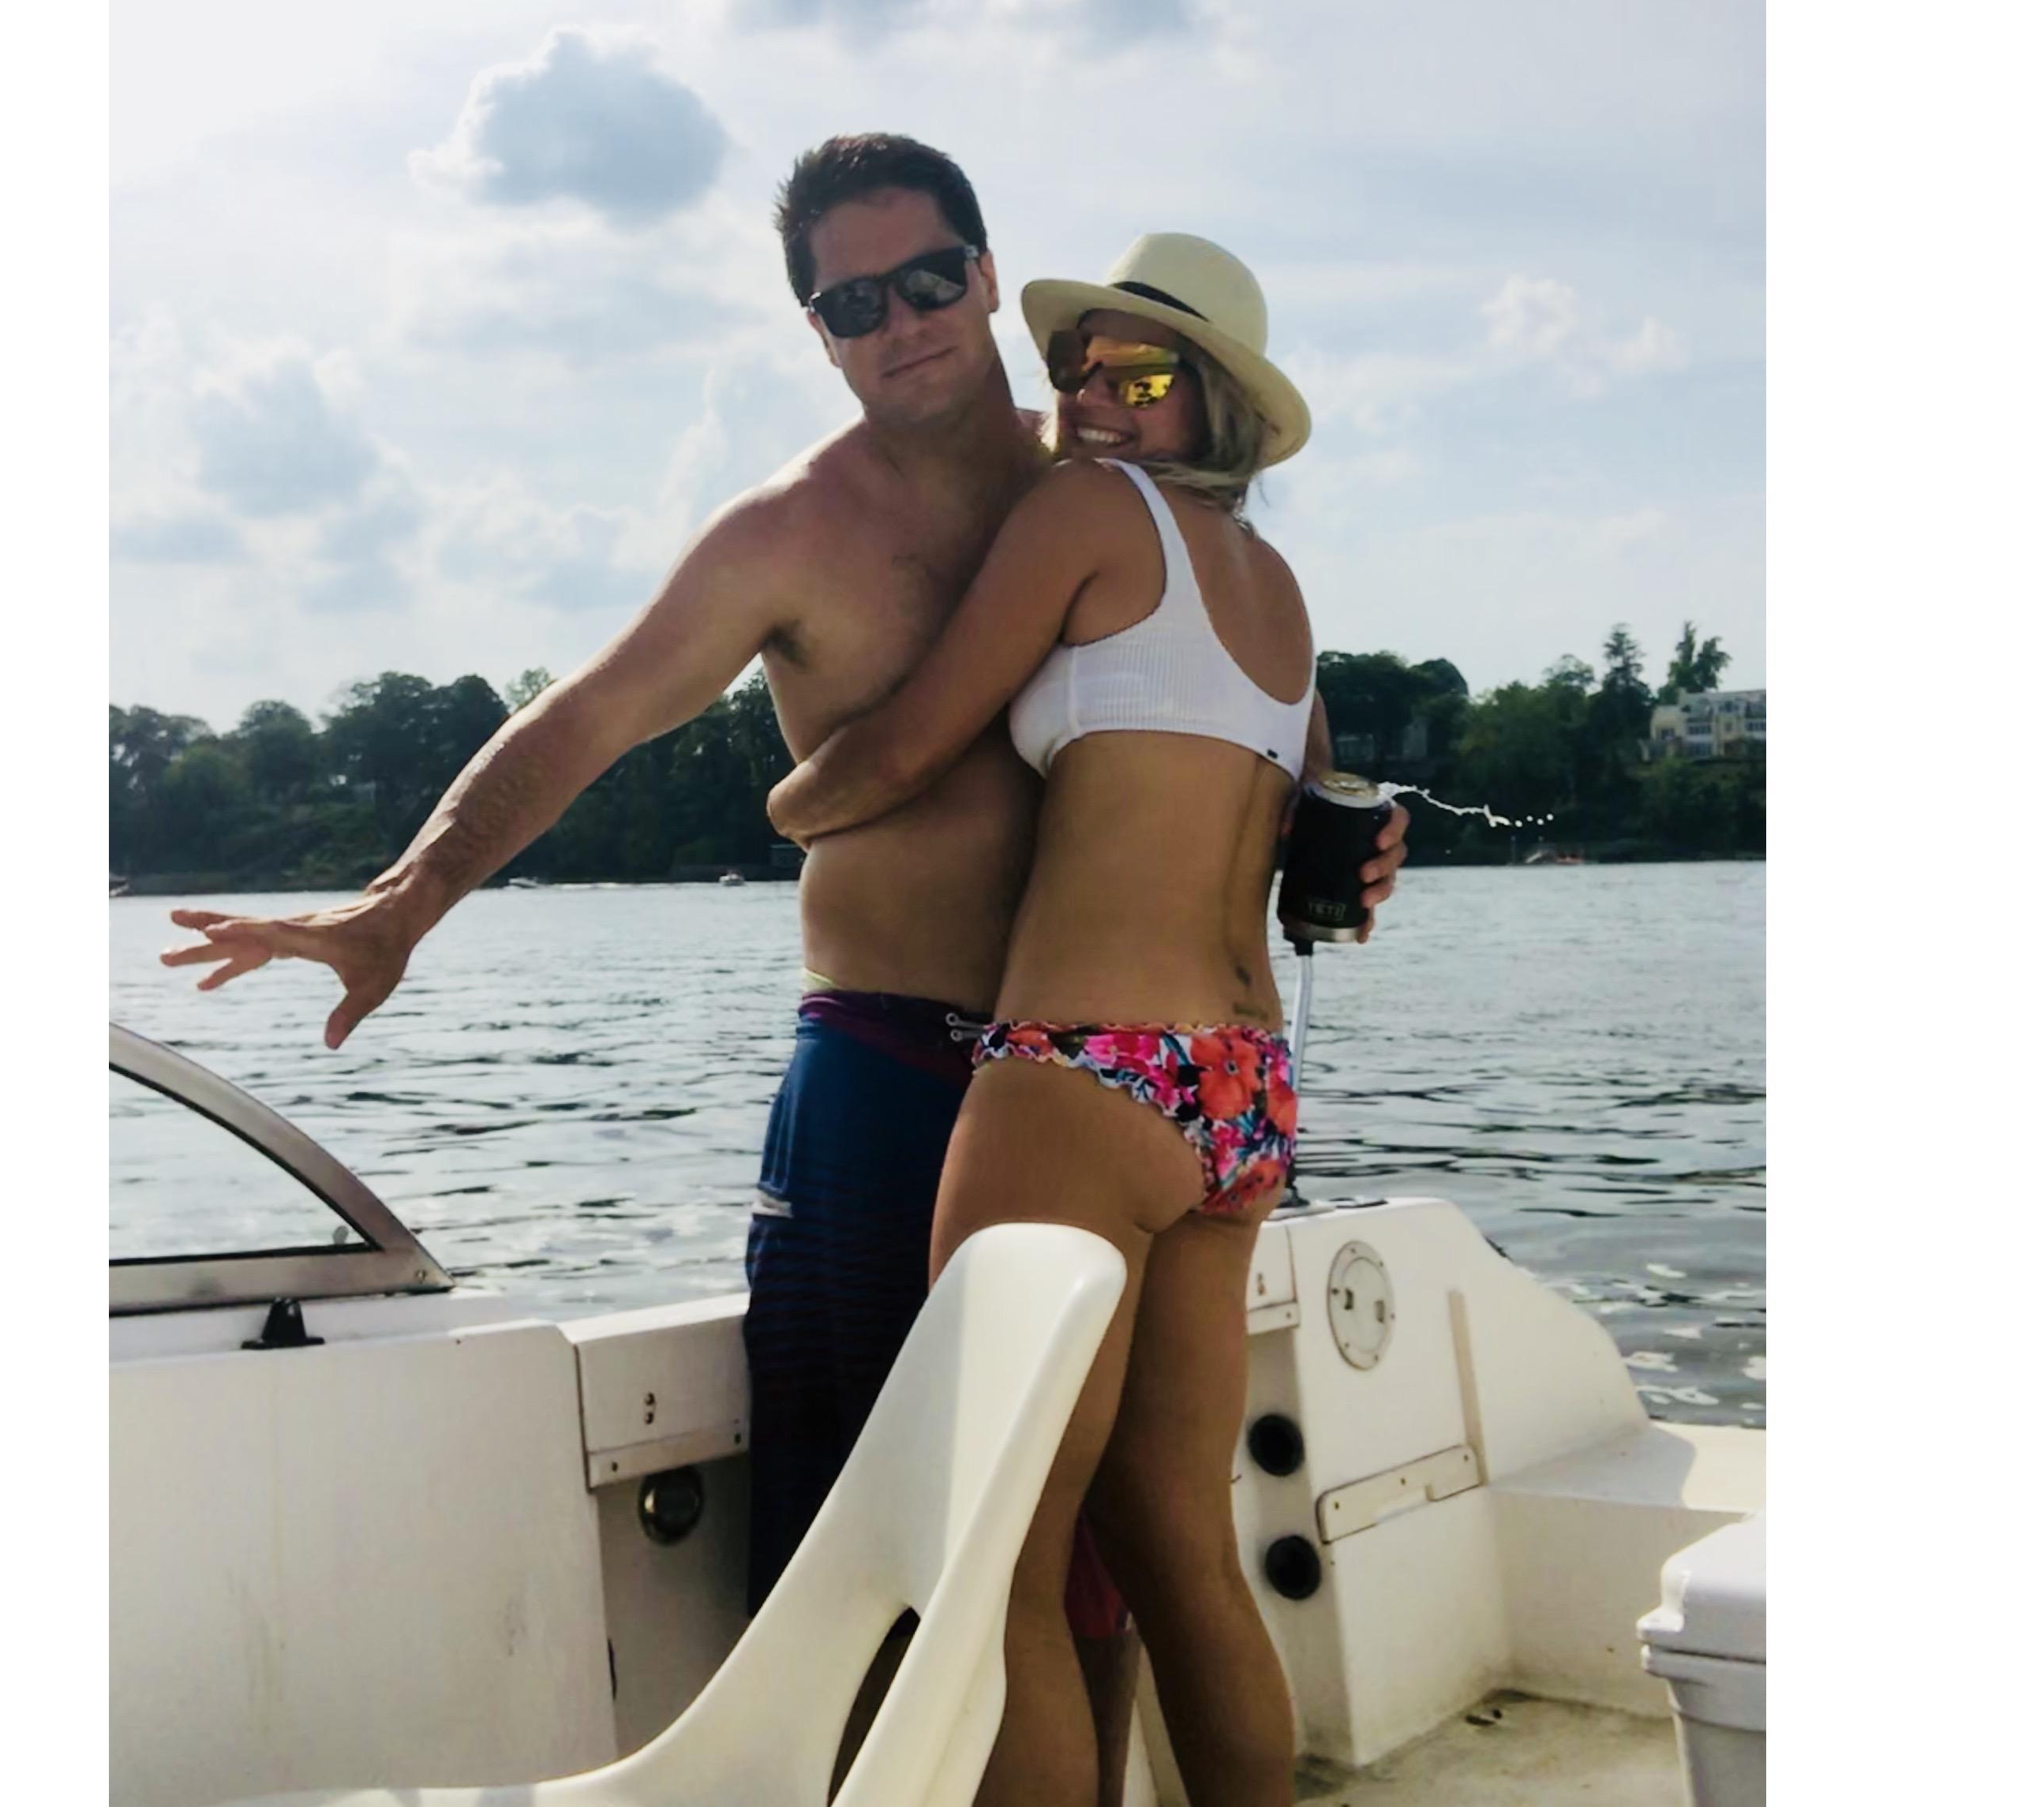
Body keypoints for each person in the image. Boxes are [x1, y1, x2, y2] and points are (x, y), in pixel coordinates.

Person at [160, 141, 1408, 1799]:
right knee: (886, 1549)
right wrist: (402, 902)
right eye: (851, 302)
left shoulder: (1102, 482)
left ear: (987, 275)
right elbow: (592, 713)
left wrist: (1348, 846)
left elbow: (1244, 751)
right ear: (815, 330)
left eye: (928, 279)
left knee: (1094, 1566)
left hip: (1073, 1086)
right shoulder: (796, 530)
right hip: (901, 1079)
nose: (901, 320)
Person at [768, 232, 1325, 1807]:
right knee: (1177, 1544)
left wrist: (788, 806)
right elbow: (1305, 837)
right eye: (1076, 365)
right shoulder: (1279, 594)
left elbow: (908, 743)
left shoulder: (1082, 516)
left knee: (994, 1554)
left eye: (1135, 373)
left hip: (1086, 1071)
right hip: (1241, 1094)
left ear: (1213, 403)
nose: (1089, 396)